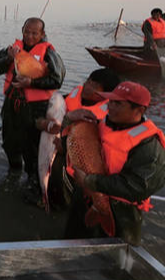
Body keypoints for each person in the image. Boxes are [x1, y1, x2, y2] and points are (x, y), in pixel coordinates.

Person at [65, 81, 165, 245]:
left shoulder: (149, 146)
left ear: (139, 110)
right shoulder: (101, 123)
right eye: (110, 101)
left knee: (113, 262)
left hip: (121, 213)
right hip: (86, 198)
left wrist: (90, 181)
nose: (110, 106)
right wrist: (68, 119)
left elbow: (139, 186)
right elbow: (70, 144)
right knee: (71, 247)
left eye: (118, 103)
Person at [0, 17, 65, 201]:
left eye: (34, 33)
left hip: (34, 107)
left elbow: (57, 80)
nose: (30, 36)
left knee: (32, 146)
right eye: (27, 31)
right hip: (11, 104)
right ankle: (13, 170)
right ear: (22, 30)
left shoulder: (49, 53)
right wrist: (9, 57)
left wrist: (31, 82)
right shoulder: (13, 48)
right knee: (9, 140)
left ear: (42, 34)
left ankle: (33, 183)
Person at [37, 68, 120, 209]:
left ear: (106, 94)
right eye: (88, 81)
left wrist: (64, 146)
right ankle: (46, 194)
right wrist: (43, 123)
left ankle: (63, 203)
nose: (88, 86)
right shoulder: (73, 95)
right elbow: (45, 113)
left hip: (76, 158)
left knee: (61, 174)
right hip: (58, 140)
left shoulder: (105, 117)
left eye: (94, 86)